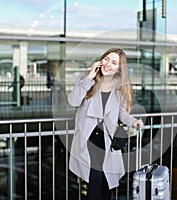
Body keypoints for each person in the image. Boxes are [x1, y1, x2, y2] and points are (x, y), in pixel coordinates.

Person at [68, 48, 143, 200]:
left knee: (106, 182)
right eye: (106, 59)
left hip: (107, 139)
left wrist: (133, 121)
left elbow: (121, 113)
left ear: (119, 69)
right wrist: (89, 76)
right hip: (87, 138)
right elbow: (73, 101)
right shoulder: (87, 77)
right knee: (94, 180)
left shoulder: (120, 88)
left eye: (114, 62)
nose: (108, 64)